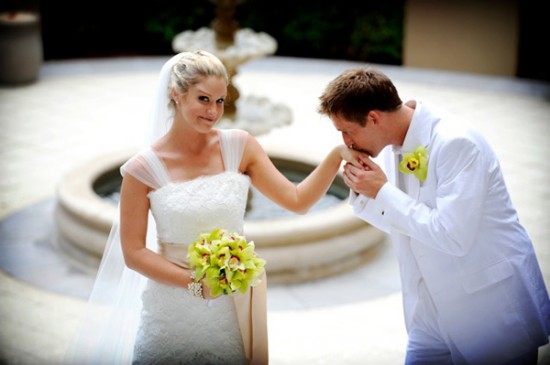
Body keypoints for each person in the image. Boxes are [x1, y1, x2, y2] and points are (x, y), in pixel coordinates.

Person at [64, 50, 359, 365]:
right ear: (176, 94)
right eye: (203, 99)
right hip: (170, 313)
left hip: (230, 308)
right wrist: (194, 283)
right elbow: (134, 253)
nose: (213, 111)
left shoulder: (240, 146)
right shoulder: (141, 170)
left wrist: (336, 156)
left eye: (220, 101)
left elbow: (297, 201)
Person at [318, 66, 550, 365]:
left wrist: (383, 191)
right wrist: (365, 191)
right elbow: (404, 222)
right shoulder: (390, 145)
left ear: (374, 118)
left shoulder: (457, 143)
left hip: (489, 308)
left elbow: (452, 235)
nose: (346, 142)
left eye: (347, 131)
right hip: (428, 311)